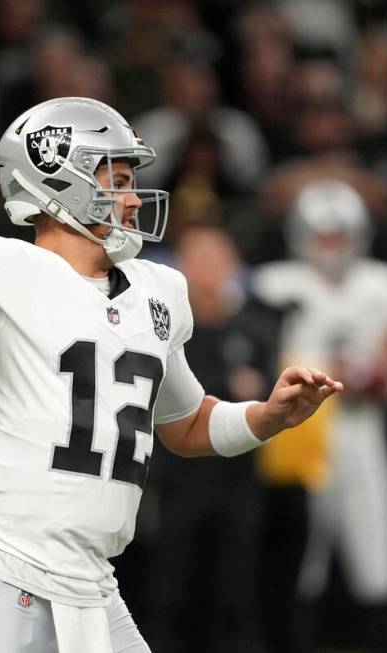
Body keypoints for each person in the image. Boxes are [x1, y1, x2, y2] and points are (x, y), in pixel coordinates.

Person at [0, 95, 343, 652]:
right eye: (116, 178)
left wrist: (266, 416)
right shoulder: (1, 267)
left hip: (92, 583)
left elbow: (185, 424)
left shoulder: (156, 292)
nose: (134, 197)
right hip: (6, 569)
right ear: (57, 181)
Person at [251, 180, 387, 653]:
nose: (331, 246)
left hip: (363, 434)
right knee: (301, 561)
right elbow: (266, 370)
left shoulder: (381, 284)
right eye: (322, 236)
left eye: (340, 236)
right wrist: (324, 374)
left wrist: (382, 380)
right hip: (300, 439)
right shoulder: (276, 285)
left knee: (378, 556)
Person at [150, 221, 282, 653]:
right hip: (175, 479)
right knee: (170, 588)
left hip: (239, 481)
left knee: (237, 591)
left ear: (233, 265)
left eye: (215, 257)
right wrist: (229, 383)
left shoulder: (255, 327)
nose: (207, 268)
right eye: (197, 258)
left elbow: (264, 393)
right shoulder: (162, 330)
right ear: (179, 267)